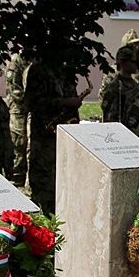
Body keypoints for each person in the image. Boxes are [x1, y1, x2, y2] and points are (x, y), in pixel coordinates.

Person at [24, 61, 87, 213]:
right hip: (45, 139)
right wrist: (65, 102)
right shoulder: (39, 69)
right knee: (45, 188)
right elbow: (32, 102)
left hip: (66, 135)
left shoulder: (66, 69)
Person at [5, 51, 31, 187]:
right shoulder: (16, 60)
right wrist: (30, 102)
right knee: (19, 142)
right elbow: (15, 89)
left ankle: (24, 177)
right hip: (18, 109)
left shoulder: (34, 58)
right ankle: (15, 178)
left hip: (29, 108)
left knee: (29, 145)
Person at [99, 43, 139, 123]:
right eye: (133, 61)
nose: (137, 64)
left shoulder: (135, 84)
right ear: (122, 62)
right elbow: (110, 117)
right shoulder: (116, 87)